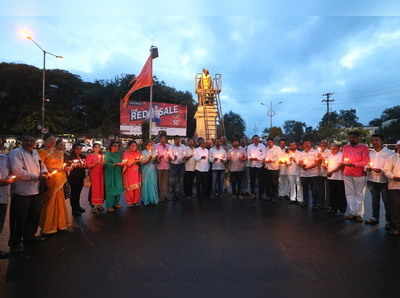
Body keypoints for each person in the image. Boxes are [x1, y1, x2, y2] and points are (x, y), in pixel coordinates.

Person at [8, 136, 48, 253]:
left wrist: (44, 173)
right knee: (19, 218)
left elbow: (42, 165)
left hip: (36, 190)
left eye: (32, 140)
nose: (30, 143)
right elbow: (18, 171)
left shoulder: (35, 152)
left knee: (34, 215)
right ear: (22, 141)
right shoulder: (16, 153)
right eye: (27, 140)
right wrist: (37, 177)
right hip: (22, 191)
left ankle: (29, 237)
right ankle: (15, 242)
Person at [39, 138, 72, 235]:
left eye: (53, 141)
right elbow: (40, 166)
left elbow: (61, 165)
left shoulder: (60, 153)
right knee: (50, 202)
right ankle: (49, 227)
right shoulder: (42, 152)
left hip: (60, 178)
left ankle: (60, 224)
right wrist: (50, 169)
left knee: (60, 201)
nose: (52, 143)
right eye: (50, 141)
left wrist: (66, 168)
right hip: (51, 179)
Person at [365, 134, 393, 227]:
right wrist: (367, 168)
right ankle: (375, 218)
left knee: (387, 202)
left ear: (382, 141)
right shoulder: (370, 153)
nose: (374, 142)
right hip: (372, 180)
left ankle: (389, 221)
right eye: (373, 140)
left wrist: (382, 170)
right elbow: (367, 164)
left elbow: (391, 166)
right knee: (374, 200)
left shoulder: (389, 153)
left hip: (385, 181)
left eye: (376, 140)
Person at [342, 131, 370, 222]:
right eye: (350, 137)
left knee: (359, 194)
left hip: (359, 174)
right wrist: (345, 163)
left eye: (353, 137)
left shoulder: (364, 147)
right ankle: (351, 212)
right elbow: (343, 159)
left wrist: (353, 164)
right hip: (347, 173)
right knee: (349, 193)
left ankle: (359, 214)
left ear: (358, 138)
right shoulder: (346, 147)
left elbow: (365, 161)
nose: (351, 139)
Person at [0, 149, 16, 258]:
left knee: (0, 222)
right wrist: (4, 182)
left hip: (3, 197)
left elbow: (12, 171)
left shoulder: (4, 158)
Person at [383, 141, 400, 236]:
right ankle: (396, 227)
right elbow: (386, 170)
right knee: (395, 207)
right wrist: (394, 177)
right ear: (397, 147)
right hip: (394, 186)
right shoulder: (392, 158)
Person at [298, 140, 322, 209]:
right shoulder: (301, 153)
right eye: (305, 144)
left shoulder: (316, 152)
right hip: (304, 174)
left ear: (311, 144)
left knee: (314, 190)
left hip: (313, 174)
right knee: (305, 190)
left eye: (308, 144)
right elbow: (299, 162)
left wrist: (309, 167)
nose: (306, 145)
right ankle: (305, 202)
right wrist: (302, 165)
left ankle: (315, 204)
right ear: (303, 145)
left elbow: (318, 162)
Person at [324, 143, 346, 215]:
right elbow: (327, 164)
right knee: (332, 194)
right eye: (331, 149)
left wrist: (331, 172)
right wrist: (325, 166)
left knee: (340, 194)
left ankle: (342, 209)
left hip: (339, 178)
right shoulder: (330, 156)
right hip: (331, 177)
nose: (332, 150)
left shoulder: (341, 155)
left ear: (338, 148)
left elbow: (340, 166)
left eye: (334, 148)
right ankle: (333, 208)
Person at [66, 143, 86, 216]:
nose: (79, 150)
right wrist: (73, 165)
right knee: (74, 193)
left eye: (80, 149)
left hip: (81, 176)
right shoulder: (70, 157)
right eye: (77, 148)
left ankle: (78, 206)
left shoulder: (83, 156)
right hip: (73, 177)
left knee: (78, 193)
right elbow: (68, 166)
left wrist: (84, 165)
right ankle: (74, 209)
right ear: (74, 149)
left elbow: (85, 165)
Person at [104, 141, 124, 212]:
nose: (116, 147)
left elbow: (122, 162)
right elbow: (105, 164)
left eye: (117, 146)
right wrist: (115, 164)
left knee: (118, 187)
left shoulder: (118, 154)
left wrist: (123, 163)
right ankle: (109, 206)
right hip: (110, 174)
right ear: (111, 146)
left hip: (118, 173)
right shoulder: (107, 154)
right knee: (111, 189)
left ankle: (116, 203)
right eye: (114, 146)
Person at [86, 143, 104, 214]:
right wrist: (95, 163)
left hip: (101, 174)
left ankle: (99, 204)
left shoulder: (101, 156)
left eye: (98, 147)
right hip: (94, 175)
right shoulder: (90, 156)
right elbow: (88, 165)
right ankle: (94, 205)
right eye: (96, 147)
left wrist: (103, 163)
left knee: (101, 189)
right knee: (95, 189)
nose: (97, 149)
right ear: (93, 148)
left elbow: (103, 165)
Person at [122, 141, 142, 207]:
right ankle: (130, 201)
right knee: (130, 187)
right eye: (132, 145)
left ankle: (135, 201)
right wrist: (134, 161)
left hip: (136, 172)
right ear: (129, 146)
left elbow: (141, 162)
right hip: (129, 172)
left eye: (135, 146)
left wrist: (140, 161)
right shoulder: (126, 153)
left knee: (136, 187)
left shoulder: (138, 153)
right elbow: (127, 163)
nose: (134, 147)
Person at [141, 141, 159, 206]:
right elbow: (142, 162)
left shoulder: (154, 152)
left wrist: (157, 158)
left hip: (152, 169)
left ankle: (153, 198)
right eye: (148, 145)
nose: (150, 146)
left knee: (153, 183)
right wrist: (148, 160)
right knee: (146, 183)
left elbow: (156, 161)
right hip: (145, 169)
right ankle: (146, 199)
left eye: (151, 145)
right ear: (146, 146)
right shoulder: (143, 152)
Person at [155, 135, 171, 202]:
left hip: (166, 166)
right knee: (159, 182)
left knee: (166, 182)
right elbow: (155, 156)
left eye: (164, 139)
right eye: (162, 139)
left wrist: (171, 157)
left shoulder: (168, 146)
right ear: (160, 139)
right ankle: (160, 196)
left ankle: (166, 195)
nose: (163, 140)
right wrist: (158, 158)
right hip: (159, 166)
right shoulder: (156, 146)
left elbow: (170, 155)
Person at [169, 136, 186, 200]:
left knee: (181, 179)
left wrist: (184, 157)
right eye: (176, 140)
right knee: (173, 180)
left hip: (181, 165)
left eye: (179, 140)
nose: (178, 141)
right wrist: (173, 158)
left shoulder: (183, 146)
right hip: (174, 165)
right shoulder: (171, 147)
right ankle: (174, 193)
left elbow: (184, 154)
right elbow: (170, 155)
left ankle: (180, 193)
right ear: (174, 140)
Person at [318, 140, 330, 209]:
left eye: (323, 145)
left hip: (327, 172)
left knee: (328, 189)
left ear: (326, 145)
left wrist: (322, 159)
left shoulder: (329, 152)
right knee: (321, 189)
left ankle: (327, 204)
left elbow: (329, 161)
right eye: (321, 145)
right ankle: (321, 203)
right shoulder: (319, 152)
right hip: (320, 172)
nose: (322, 146)